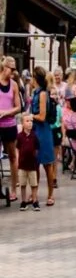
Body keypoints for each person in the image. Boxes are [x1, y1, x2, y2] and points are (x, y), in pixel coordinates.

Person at [29, 66, 57, 206]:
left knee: (47, 165)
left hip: (43, 131)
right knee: (34, 165)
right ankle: (34, 193)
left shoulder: (42, 94)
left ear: (36, 78)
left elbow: (42, 116)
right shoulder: (35, 92)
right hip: (34, 130)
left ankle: (51, 194)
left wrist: (30, 116)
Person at [0, 57, 21, 200]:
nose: (13, 72)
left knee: (13, 156)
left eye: (14, 69)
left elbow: (19, 107)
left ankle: (14, 188)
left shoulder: (14, 85)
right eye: (11, 69)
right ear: (4, 67)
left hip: (9, 125)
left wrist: (6, 112)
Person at [14, 112, 38, 209]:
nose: (30, 123)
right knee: (23, 184)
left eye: (31, 121)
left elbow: (36, 149)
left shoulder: (34, 136)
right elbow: (17, 148)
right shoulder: (19, 136)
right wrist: (19, 158)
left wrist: (34, 158)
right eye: (27, 121)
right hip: (22, 165)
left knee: (33, 184)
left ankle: (35, 201)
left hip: (32, 165)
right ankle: (23, 201)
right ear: (22, 123)